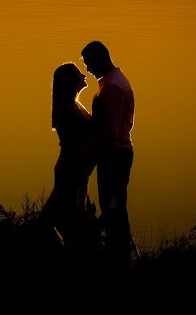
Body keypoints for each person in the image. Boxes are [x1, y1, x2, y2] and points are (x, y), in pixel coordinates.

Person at [81, 40, 135, 272]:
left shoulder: (112, 87)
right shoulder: (114, 81)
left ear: (98, 59)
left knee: (113, 206)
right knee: (115, 206)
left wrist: (86, 148)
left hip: (115, 154)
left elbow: (110, 132)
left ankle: (119, 257)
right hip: (118, 152)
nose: (88, 70)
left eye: (88, 64)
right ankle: (120, 254)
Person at [42, 62, 97, 254]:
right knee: (52, 220)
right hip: (70, 171)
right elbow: (75, 144)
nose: (84, 75)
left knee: (72, 220)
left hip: (77, 173)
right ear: (69, 82)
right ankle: (65, 257)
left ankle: (69, 256)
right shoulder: (67, 110)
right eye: (78, 74)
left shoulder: (74, 106)